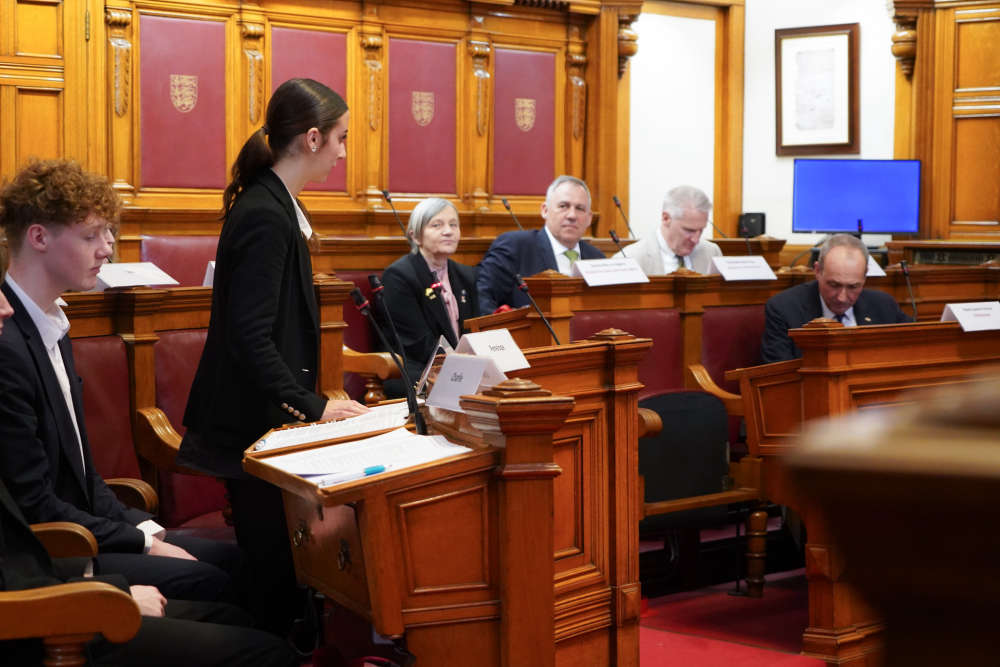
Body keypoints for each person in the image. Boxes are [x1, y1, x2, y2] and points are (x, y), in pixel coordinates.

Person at [0, 158, 242, 604]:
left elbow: (84, 477)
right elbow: (34, 502)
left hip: (85, 529)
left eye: (108, 234)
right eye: (91, 236)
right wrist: (144, 543)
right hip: (53, 555)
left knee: (242, 563)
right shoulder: (7, 343)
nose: (107, 249)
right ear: (38, 237)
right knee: (219, 585)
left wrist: (146, 530)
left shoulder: (52, 324)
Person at [178, 78, 369, 636]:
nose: (342, 152)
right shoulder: (265, 212)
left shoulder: (275, 203)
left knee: (285, 572)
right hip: (250, 424)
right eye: (340, 138)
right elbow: (249, 337)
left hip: (265, 420)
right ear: (311, 138)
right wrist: (314, 407)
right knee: (274, 580)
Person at [0, 437, 295, 666]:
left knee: (233, 612)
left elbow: (19, 560)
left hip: (52, 584)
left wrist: (98, 575)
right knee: (269, 652)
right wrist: (115, 595)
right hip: (41, 629)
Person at [760, 233, 911, 363]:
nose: (842, 298)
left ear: (865, 276)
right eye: (834, 285)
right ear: (817, 271)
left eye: (853, 287)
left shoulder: (884, 305)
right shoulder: (784, 309)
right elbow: (779, 377)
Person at [380, 198, 479, 395]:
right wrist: (464, 369)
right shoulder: (399, 276)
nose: (448, 231)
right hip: (417, 371)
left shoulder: (466, 275)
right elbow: (417, 343)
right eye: (437, 225)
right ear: (415, 236)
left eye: (454, 225)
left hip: (461, 368)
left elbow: (475, 329)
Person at [476, 175, 604, 314]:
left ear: (589, 218)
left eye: (580, 208)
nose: (572, 215)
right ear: (545, 210)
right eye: (563, 206)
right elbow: (481, 298)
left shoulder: (597, 259)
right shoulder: (515, 247)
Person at [613, 185, 721, 274]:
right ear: (666, 218)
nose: (696, 240)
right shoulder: (629, 260)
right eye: (689, 230)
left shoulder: (712, 252)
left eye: (701, 230)